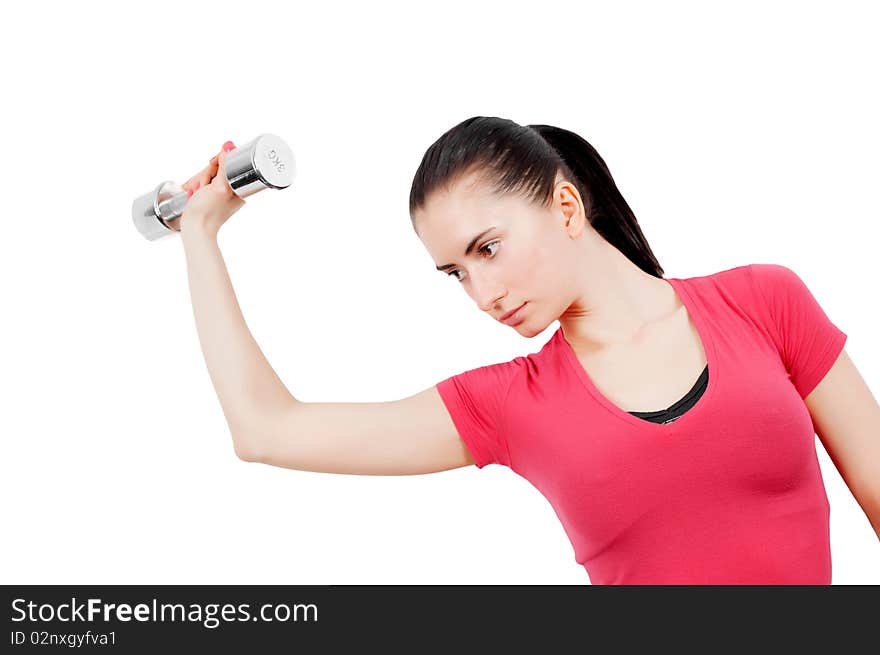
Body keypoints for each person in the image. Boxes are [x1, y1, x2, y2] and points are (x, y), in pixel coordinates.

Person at [178, 117, 879, 584]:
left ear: (567, 207)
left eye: (487, 248)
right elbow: (265, 429)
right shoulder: (509, 402)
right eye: (456, 273)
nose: (481, 293)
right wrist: (200, 238)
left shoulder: (763, 302)